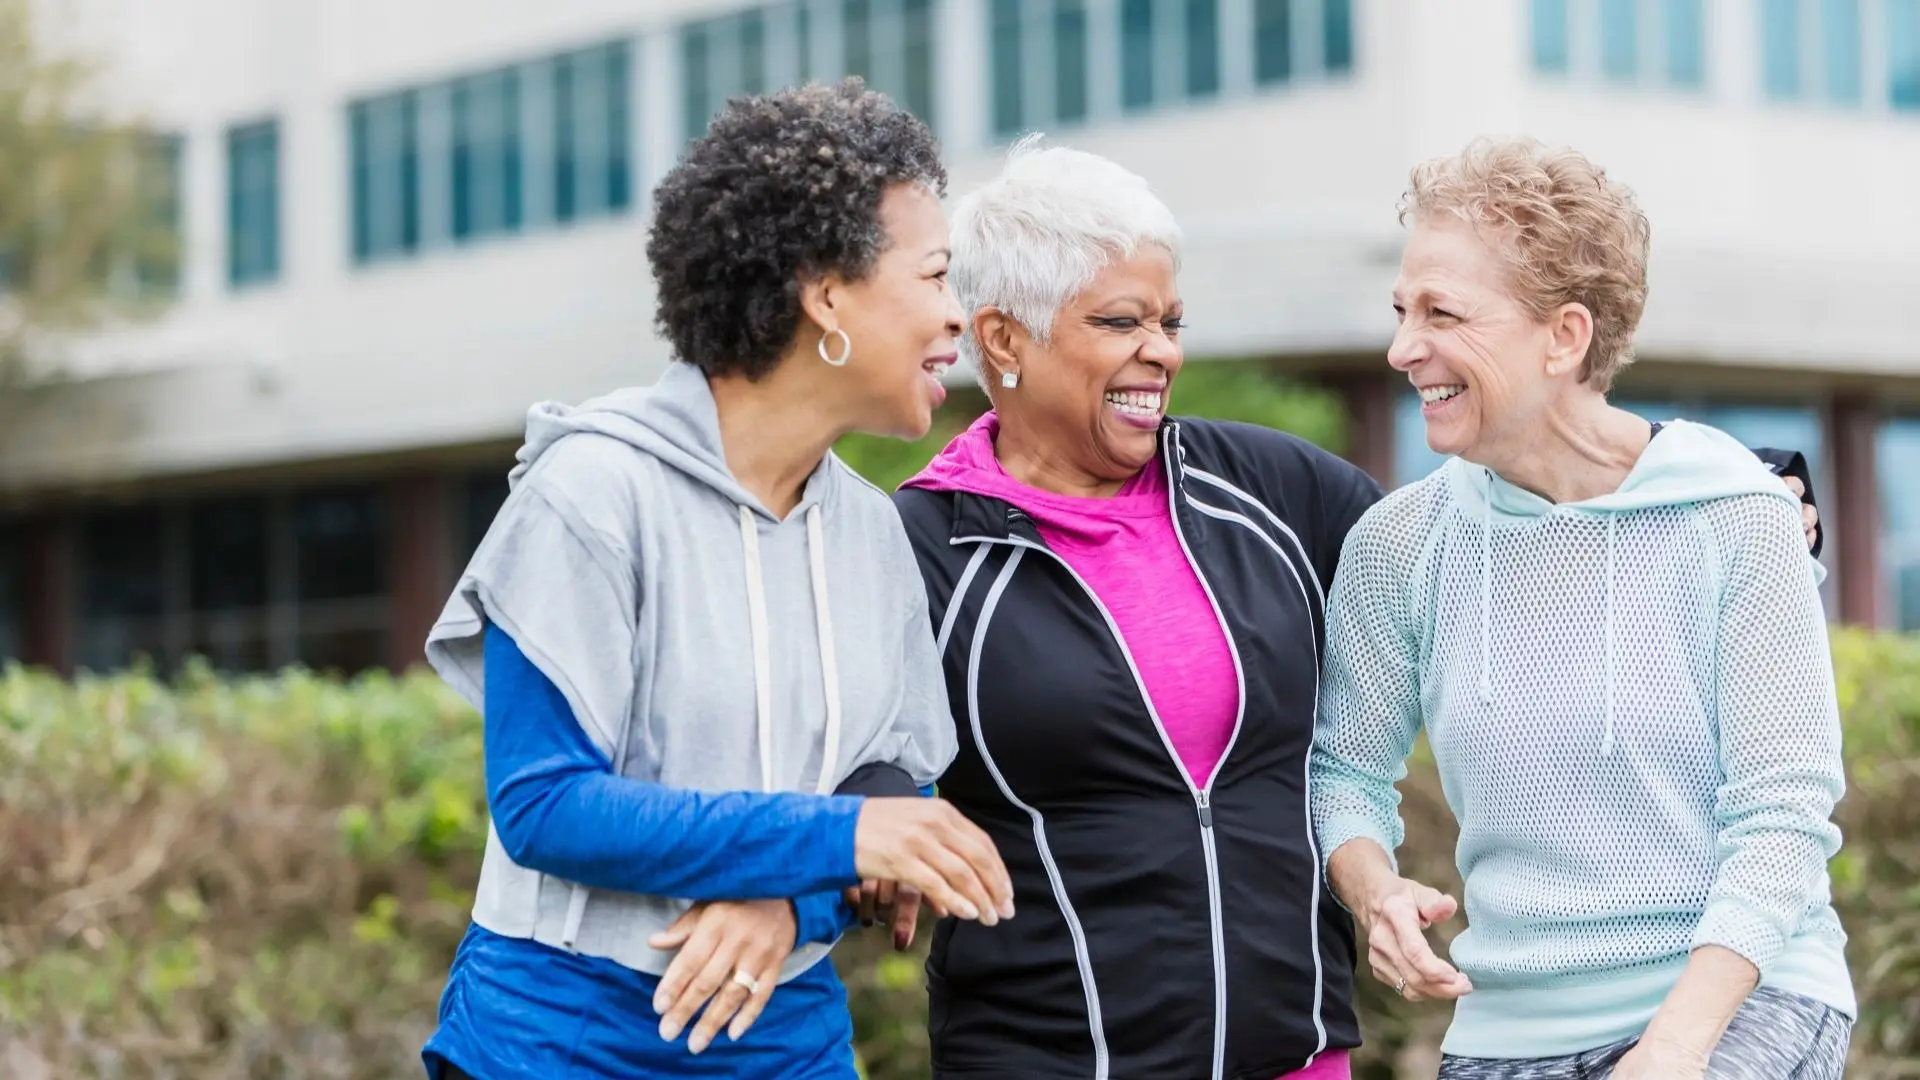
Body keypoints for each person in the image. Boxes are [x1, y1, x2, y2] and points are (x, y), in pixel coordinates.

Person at [874, 138, 1825, 1080]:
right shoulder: (918, 543)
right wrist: (870, 806)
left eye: (1170, 321)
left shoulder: (1265, 489)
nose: (1160, 353)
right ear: (1003, 339)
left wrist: (1756, 498)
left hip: (1352, 1046)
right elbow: (840, 714)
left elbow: (1563, 517)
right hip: (1058, 1052)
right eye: (1123, 322)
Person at [416, 80, 1014, 1080]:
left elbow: (888, 780)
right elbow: (544, 804)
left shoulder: (873, 532)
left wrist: (788, 898)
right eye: (937, 275)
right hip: (561, 1037)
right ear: (826, 293)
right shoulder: (591, 493)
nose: (957, 316)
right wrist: (844, 833)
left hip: (785, 1035)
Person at [1310, 137, 1854, 1080]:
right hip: (1505, 1031)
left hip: (1739, 999)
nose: (1404, 349)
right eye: (1402, 312)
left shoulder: (1738, 515)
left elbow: (1785, 818)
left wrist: (1674, 1049)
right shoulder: (1400, 543)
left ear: (1564, 337)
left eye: (1443, 313)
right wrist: (1373, 889)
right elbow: (1345, 771)